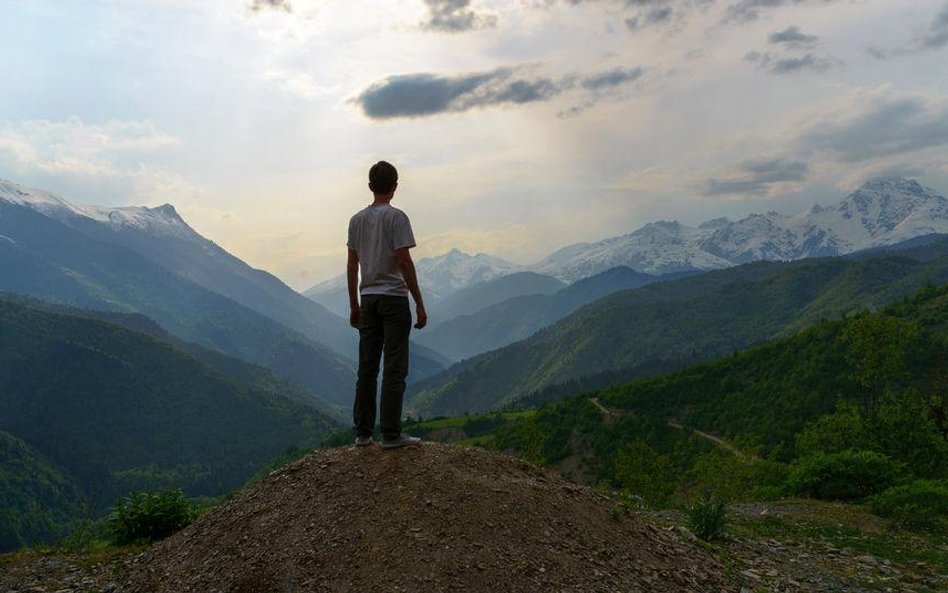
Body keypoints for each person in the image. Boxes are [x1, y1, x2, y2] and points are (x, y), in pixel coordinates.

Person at [347, 161, 427, 449]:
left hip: (367, 298)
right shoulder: (397, 218)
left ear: (370, 186)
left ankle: (363, 433)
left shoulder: (356, 221)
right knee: (394, 366)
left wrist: (354, 304)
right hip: (394, 298)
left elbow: (352, 264)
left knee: (367, 367)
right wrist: (418, 301)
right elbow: (404, 260)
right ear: (394, 187)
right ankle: (391, 434)